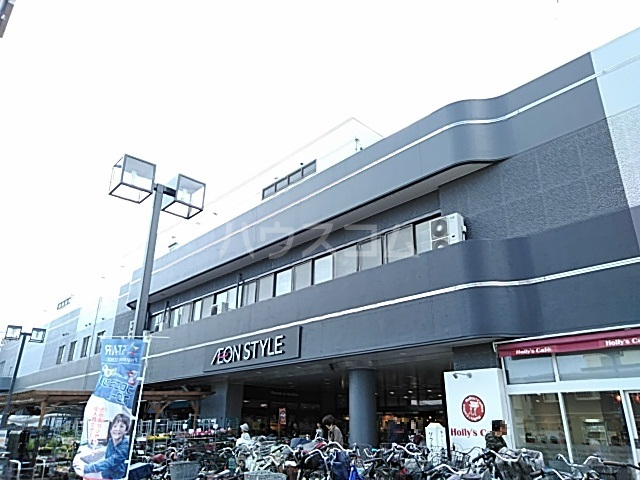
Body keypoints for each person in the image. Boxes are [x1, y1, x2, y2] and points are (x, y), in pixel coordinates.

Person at [75, 413, 131, 480]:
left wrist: (86, 468)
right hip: (106, 475)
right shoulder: (111, 441)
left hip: (118, 477)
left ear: (126, 430)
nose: (117, 429)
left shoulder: (126, 445)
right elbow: (105, 457)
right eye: (115, 426)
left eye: (121, 426)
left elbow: (110, 462)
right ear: (111, 429)